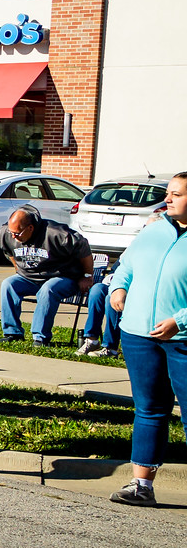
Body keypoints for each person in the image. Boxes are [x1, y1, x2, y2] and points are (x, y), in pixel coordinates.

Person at [106, 172, 187, 507]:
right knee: (150, 409)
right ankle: (141, 485)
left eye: (176, 194)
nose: (168, 199)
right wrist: (118, 289)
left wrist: (179, 321)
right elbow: (126, 266)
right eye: (168, 193)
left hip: (181, 339)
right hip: (139, 335)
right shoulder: (153, 230)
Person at [0, 206, 94, 345]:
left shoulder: (57, 234)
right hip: (29, 278)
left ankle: (40, 337)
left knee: (48, 289)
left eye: (17, 233)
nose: (13, 237)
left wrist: (87, 275)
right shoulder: (5, 233)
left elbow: (84, 248)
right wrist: (19, 270)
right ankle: (12, 332)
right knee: (9, 284)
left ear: (30, 228)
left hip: (63, 277)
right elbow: (9, 252)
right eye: (11, 232)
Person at [77, 253, 123, 358]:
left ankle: (111, 348)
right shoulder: (131, 250)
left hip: (130, 290)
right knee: (97, 289)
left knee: (110, 297)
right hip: (116, 283)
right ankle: (92, 341)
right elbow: (113, 270)